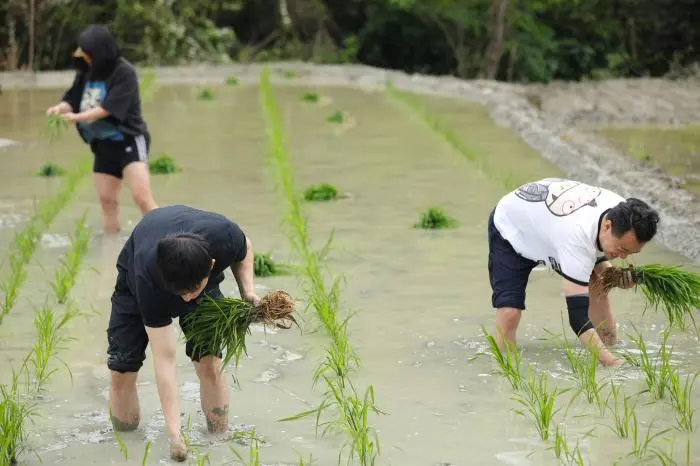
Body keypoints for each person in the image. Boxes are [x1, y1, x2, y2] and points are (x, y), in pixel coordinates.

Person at [106, 204, 260, 462]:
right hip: (139, 283)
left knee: (209, 362)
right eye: (182, 293)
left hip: (189, 274)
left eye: (193, 290)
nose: (188, 298)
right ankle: (126, 448)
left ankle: (219, 441)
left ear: (212, 266)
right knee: (122, 370)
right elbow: (165, 360)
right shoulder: (148, 278)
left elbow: (245, 248)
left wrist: (248, 291)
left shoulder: (223, 235)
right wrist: (174, 434)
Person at [487, 178, 660, 367]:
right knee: (510, 312)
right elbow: (577, 319)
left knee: (599, 281)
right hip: (513, 229)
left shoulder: (624, 213)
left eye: (630, 253)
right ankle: (503, 369)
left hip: (553, 226)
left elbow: (598, 266)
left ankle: (609, 344)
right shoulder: (576, 236)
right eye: (621, 249)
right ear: (607, 226)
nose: (624, 258)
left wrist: (616, 278)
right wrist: (612, 363)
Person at [45, 24, 157, 234]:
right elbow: (72, 99)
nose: (85, 58)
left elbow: (107, 109)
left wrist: (76, 118)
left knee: (141, 198)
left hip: (128, 140)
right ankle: (112, 251)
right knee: (107, 201)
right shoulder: (86, 72)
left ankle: (167, 240)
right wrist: (59, 109)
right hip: (103, 144)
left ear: (100, 52)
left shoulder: (124, 72)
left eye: (88, 54)